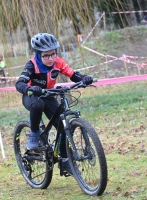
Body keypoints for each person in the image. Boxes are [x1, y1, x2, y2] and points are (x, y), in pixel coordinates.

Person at [15, 33, 93, 176]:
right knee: (38, 105)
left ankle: (64, 159)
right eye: (46, 56)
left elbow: (72, 74)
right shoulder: (32, 65)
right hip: (32, 96)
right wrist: (30, 88)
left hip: (49, 95)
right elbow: (19, 83)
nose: (51, 58)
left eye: (53, 54)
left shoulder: (58, 62)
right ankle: (34, 134)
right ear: (38, 54)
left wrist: (84, 78)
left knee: (62, 126)